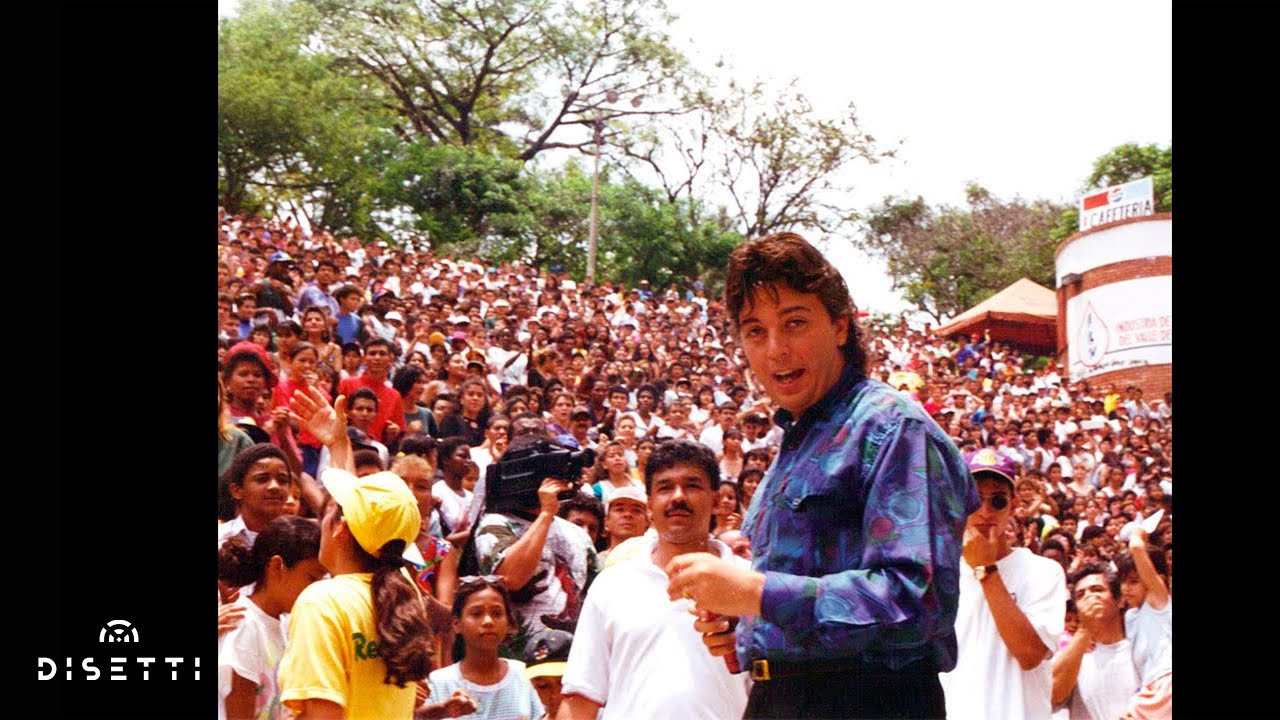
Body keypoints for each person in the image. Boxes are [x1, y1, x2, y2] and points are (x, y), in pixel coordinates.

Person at [664, 232, 976, 719]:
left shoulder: (894, 428)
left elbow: (920, 602)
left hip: (869, 701)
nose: (775, 350)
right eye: (754, 331)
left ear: (840, 326)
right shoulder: (792, 446)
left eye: (795, 323)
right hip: (779, 699)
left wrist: (755, 593)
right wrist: (741, 618)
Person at [559, 440, 751, 720]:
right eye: (665, 487)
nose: (678, 497)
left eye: (692, 485)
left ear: (714, 500)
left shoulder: (750, 582)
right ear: (649, 504)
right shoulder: (612, 585)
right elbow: (581, 698)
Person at [277, 386, 434, 719]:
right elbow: (362, 517)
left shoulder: (322, 603)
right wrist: (337, 444)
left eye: (331, 512)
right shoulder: (405, 589)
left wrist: (337, 445)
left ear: (340, 527)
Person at [940, 448, 1068, 720]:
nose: (985, 511)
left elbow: (1030, 653)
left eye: (997, 500)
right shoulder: (939, 574)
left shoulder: (1044, 572)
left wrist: (986, 570)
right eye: (974, 499)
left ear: (1013, 504)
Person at [218, 516, 326, 720]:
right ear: (277, 566)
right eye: (312, 578)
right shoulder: (245, 624)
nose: (317, 589)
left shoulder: (285, 623)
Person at [418, 578, 545, 720]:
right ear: (456, 624)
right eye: (476, 614)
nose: (488, 621)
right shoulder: (438, 683)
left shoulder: (526, 676)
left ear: (508, 622)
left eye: (497, 613)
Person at [1051, 563, 1139, 720]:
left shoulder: (1142, 648)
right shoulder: (1073, 656)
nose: (1089, 597)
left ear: (1119, 601)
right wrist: (1084, 630)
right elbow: (1052, 694)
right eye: (1080, 595)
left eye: (1097, 590)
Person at [1115, 528, 1171, 720]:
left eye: (1134, 581)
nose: (1126, 588)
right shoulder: (1130, 617)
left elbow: (1137, 548)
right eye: (1123, 582)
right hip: (1149, 689)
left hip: (1167, 685)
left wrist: (1137, 534)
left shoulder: (1159, 602)